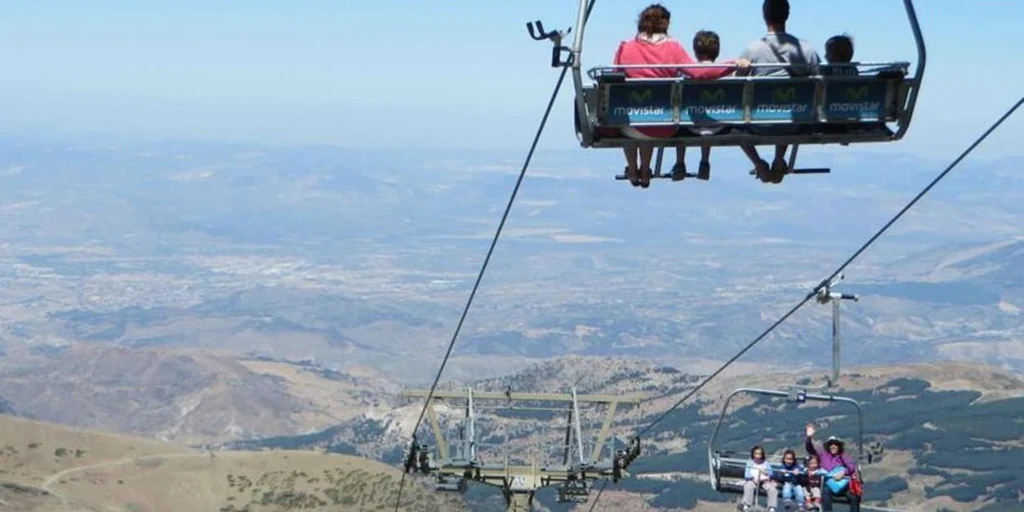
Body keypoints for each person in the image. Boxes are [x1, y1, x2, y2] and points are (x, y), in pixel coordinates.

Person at [612, 4, 748, 188]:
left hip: (634, 125)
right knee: (653, 120)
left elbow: (614, 81)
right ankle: (644, 169)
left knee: (634, 119)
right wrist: (733, 64)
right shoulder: (673, 48)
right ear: (665, 24)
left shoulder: (625, 48)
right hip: (664, 125)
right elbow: (699, 73)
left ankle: (633, 168)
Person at [735, 0, 822, 184]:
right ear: (787, 15)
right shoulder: (806, 51)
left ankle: (758, 163)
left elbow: (736, 85)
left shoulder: (752, 50)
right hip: (794, 123)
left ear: (764, 15)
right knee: (789, 106)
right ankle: (779, 158)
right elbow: (821, 83)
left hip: (759, 124)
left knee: (735, 121)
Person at [674, 29, 739, 182]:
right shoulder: (726, 73)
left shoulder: (685, 75)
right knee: (711, 112)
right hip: (719, 127)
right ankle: (704, 161)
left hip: (689, 127)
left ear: (695, 52)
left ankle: (680, 162)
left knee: (683, 115)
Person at [805, 423, 861, 512]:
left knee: (854, 496)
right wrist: (809, 437)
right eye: (831, 444)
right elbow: (810, 449)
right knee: (825, 492)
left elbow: (851, 466)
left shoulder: (843, 456)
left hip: (842, 484)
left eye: (835, 444)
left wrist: (843, 473)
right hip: (829, 484)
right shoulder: (823, 455)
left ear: (839, 446)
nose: (833, 446)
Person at [742, 445, 779, 512]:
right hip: (753, 480)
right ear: (753, 454)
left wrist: (767, 473)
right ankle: (747, 504)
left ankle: (771, 507)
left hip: (764, 480)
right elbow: (747, 474)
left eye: (760, 454)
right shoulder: (750, 463)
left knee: (772, 489)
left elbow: (771, 473)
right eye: (756, 454)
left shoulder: (766, 463)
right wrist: (752, 478)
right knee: (748, 486)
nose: (758, 456)